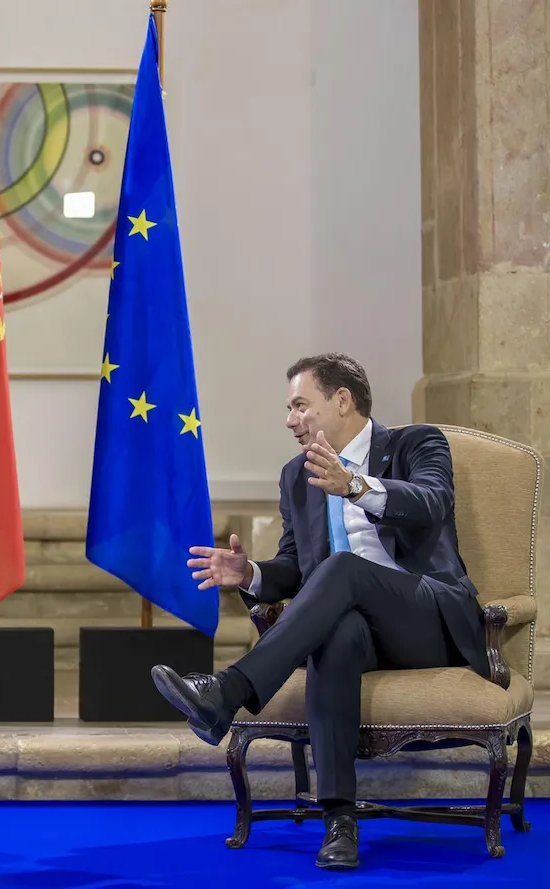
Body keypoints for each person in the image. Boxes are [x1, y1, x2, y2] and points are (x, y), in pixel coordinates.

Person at [151, 352, 487, 871]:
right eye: (289, 409)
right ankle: (339, 820)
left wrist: (354, 485)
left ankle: (230, 691)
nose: (290, 420)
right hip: (362, 628)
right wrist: (251, 574)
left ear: (342, 401)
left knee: (343, 570)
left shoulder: (415, 443)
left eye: (300, 405)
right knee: (337, 629)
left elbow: (430, 502)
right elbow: (293, 565)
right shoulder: (295, 476)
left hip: (428, 616)